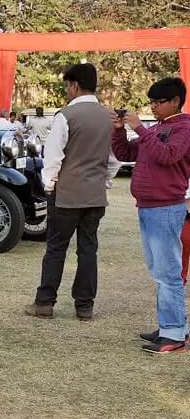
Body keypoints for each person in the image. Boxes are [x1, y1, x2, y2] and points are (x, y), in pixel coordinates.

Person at [26, 63, 120, 322]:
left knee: (56, 248)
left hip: (66, 194)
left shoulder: (65, 116)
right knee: (88, 249)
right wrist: (104, 181)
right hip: (95, 194)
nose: (67, 90)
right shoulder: (107, 117)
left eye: (67, 85)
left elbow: (53, 157)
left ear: (74, 85)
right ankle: (84, 306)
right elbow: (113, 160)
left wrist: (48, 186)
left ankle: (45, 302)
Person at [110, 77, 190, 354]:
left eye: (159, 102)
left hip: (167, 206)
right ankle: (172, 327)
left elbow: (168, 156)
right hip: (149, 205)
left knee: (168, 273)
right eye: (152, 102)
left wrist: (140, 129)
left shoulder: (184, 128)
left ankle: (174, 333)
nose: (154, 107)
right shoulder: (160, 128)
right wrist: (119, 131)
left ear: (176, 101)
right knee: (162, 272)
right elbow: (124, 152)